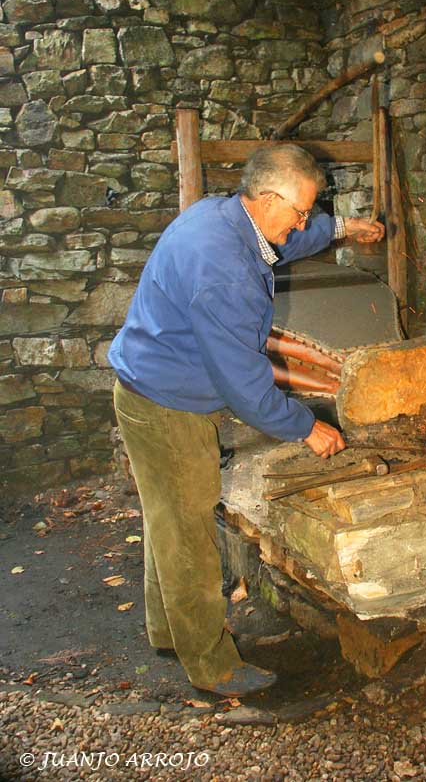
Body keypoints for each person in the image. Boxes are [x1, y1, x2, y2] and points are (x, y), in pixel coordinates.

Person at [108, 144, 385, 696]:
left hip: (146, 384)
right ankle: (214, 666)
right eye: (300, 211)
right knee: (188, 532)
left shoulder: (228, 217)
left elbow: (286, 238)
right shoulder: (225, 268)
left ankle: (170, 631)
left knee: (166, 518)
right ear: (265, 197)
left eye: (310, 212)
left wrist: (340, 228)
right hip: (168, 404)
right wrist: (305, 427)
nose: (303, 222)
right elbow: (245, 385)